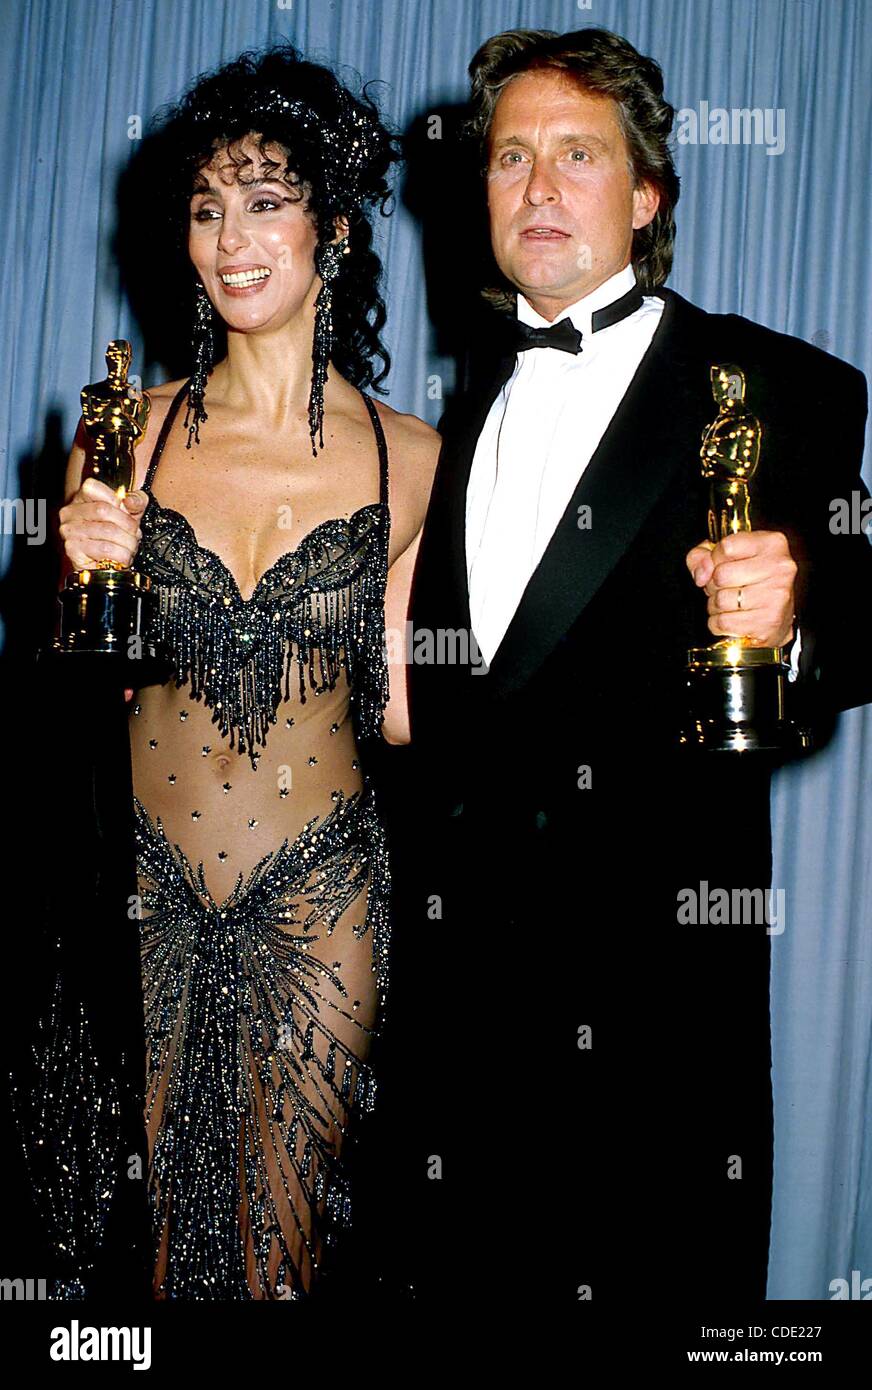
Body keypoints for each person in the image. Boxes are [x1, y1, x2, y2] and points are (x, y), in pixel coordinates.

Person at [366, 28, 872, 1312]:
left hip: (655, 1037)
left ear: (646, 197)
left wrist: (801, 607)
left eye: (576, 156)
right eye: (510, 158)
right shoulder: (455, 416)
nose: (536, 187)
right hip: (454, 1027)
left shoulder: (777, 384)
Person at [30, 41, 439, 1300]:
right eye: (208, 207)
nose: (231, 237)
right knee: (143, 1253)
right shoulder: (122, 436)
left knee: (281, 1249)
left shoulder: (414, 459)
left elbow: (412, 711)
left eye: (266, 200)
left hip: (321, 902)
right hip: (140, 894)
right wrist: (70, 577)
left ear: (334, 227)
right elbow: (74, 686)